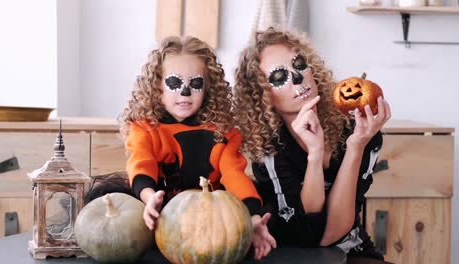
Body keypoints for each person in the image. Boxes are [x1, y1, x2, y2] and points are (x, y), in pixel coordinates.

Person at [233, 27, 391, 262]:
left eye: (298, 64)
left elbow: (337, 232)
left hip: (352, 251)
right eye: (279, 77)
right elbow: (313, 238)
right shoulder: (267, 150)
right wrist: (315, 155)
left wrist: (356, 146)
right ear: (263, 95)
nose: (297, 77)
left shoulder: (359, 130)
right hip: (291, 255)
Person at [119, 35, 276, 260]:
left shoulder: (223, 132)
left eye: (195, 83)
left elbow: (234, 175)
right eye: (174, 82)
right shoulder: (145, 127)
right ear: (157, 85)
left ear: (208, 87)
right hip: (161, 213)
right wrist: (149, 197)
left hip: (210, 219)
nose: (185, 92)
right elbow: (141, 163)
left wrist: (251, 218)